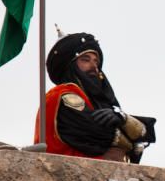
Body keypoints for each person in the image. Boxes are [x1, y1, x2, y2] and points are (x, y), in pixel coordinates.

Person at [37, 32, 155, 163]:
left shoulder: (97, 101)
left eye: (96, 61)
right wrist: (129, 132)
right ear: (70, 65)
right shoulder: (64, 94)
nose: (94, 67)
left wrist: (122, 118)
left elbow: (147, 132)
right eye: (85, 60)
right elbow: (98, 133)